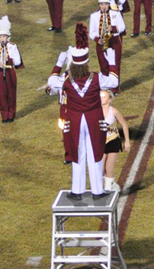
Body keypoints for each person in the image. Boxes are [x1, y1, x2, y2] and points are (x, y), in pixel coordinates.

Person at [46, 23, 119, 200]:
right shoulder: (96, 78)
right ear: (86, 64)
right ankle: (97, 191)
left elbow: (51, 81)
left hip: (74, 121)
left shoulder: (66, 81)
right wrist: (111, 62)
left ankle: (77, 191)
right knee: (95, 153)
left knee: (77, 154)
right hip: (94, 120)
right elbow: (114, 81)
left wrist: (58, 64)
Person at [89, 0, 125, 86]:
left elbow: (122, 27)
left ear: (109, 4)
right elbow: (91, 32)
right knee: (103, 65)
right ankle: (106, 86)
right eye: (101, 4)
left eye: (106, 4)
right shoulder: (94, 16)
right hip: (101, 42)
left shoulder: (116, 14)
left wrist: (112, 28)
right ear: (99, 5)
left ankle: (115, 87)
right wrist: (97, 39)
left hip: (114, 41)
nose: (104, 6)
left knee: (115, 64)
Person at [0, 16, 24, 123]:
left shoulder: (13, 46)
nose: (2, 39)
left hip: (10, 71)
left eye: (4, 36)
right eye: (0, 37)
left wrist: (9, 60)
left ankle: (11, 114)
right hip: (0, 72)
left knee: (11, 93)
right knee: (2, 94)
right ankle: (4, 115)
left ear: (7, 37)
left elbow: (18, 61)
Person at [101, 89, 130, 192]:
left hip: (113, 140)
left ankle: (108, 189)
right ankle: (111, 184)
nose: (101, 98)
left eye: (104, 97)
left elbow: (124, 124)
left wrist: (127, 141)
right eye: (100, 96)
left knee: (109, 167)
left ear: (109, 100)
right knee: (100, 168)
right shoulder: (95, 111)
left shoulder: (114, 111)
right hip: (100, 142)